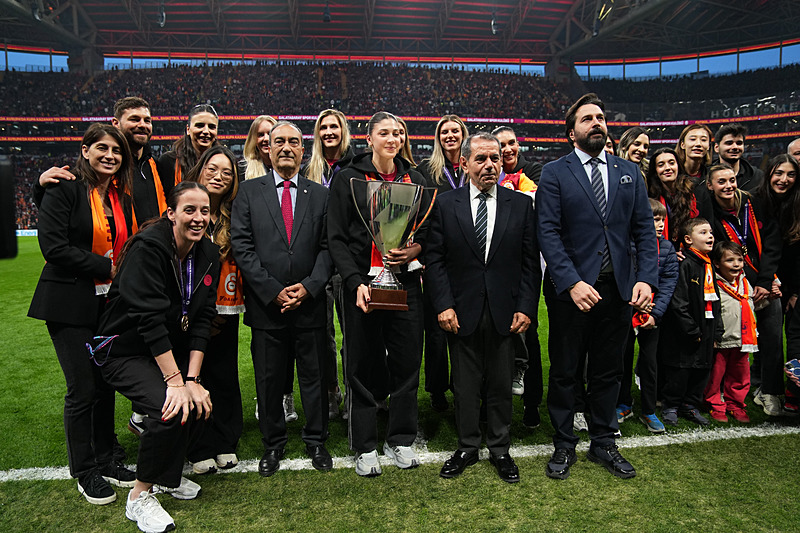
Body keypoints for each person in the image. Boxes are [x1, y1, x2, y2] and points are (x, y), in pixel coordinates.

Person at [537, 93, 657, 480]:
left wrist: (645, 278)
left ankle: (604, 441)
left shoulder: (629, 172)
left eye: (601, 117)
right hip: (571, 292)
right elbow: (548, 233)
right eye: (588, 119)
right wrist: (571, 282)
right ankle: (563, 442)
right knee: (566, 369)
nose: (597, 123)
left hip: (618, 289)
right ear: (572, 132)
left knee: (609, 370)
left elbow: (643, 231)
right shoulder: (555, 172)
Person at [94, 180, 219, 533]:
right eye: (189, 210)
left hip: (162, 351)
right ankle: (139, 498)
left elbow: (202, 321)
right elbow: (147, 320)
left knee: (198, 403)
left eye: (205, 211)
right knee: (170, 408)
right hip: (122, 350)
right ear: (171, 214)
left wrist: (192, 380)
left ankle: (165, 477)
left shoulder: (207, 254)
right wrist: (175, 382)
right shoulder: (149, 247)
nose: (198, 218)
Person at [28, 123, 137, 504]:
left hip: (106, 306)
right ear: (85, 150)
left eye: (117, 151)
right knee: (82, 389)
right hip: (68, 304)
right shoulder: (64, 188)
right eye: (103, 148)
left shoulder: (119, 196)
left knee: (105, 386)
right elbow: (53, 247)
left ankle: (107, 459)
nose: (111, 156)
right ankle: (85, 471)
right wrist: (103, 267)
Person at [426, 132, 538, 483]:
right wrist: (443, 304)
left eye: (495, 158)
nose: (490, 165)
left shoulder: (520, 204)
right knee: (465, 383)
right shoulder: (446, 204)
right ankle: (467, 446)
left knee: (502, 382)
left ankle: (500, 449)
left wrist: (526, 306)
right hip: (461, 310)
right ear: (465, 163)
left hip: (506, 309)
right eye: (481, 159)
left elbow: (529, 263)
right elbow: (435, 259)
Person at [327, 111, 428, 477]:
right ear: (369, 139)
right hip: (363, 284)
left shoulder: (414, 178)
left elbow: (428, 232)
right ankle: (365, 443)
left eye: (398, 132)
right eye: (384, 133)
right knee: (361, 363)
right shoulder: (349, 179)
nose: (393, 138)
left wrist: (414, 251)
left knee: (406, 361)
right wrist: (354, 283)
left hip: (404, 282)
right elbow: (335, 237)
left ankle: (400, 438)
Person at [231, 121, 334, 477]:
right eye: (279, 142)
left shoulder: (320, 194)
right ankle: (272, 444)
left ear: (303, 151)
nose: (287, 147)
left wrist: (309, 287)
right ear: (268, 149)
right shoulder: (248, 192)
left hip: (310, 304)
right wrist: (273, 290)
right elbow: (242, 247)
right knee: (269, 380)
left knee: (314, 377)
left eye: (294, 141)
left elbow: (327, 248)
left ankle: (316, 440)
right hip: (267, 308)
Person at [702, 164, 783, 416]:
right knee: (727, 343)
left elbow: (772, 242)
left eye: (732, 180)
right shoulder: (710, 211)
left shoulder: (754, 202)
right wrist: (750, 283)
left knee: (771, 334)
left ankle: (769, 390)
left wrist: (766, 280)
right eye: (721, 181)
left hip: (763, 282)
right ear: (710, 185)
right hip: (731, 284)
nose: (728, 186)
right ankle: (720, 393)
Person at [183, 145, 243, 474]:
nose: (219, 177)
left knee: (223, 373)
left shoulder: (236, 212)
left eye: (227, 172)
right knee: (194, 374)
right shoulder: (185, 206)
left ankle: (225, 440)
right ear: (200, 170)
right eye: (212, 169)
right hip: (188, 312)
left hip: (225, 307)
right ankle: (198, 445)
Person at [301, 109, 355, 419]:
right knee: (321, 334)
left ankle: (353, 391)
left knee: (352, 333)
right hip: (316, 261)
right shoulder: (309, 168)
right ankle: (330, 392)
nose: (329, 132)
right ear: (318, 133)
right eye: (324, 127)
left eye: (335, 126)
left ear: (344, 131)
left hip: (347, 260)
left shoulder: (357, 165)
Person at [490, 124, 544, 422]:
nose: (508, 149)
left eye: (512, 143)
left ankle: (532, 403)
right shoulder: (489, 171)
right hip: (496, 263)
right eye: (502, 145)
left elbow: (530, 206)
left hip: (525, 260)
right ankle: (496, 404)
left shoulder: (533, 171)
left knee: (528, 329)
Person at [418, 114, 469, 412]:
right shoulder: (427, 170)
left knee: (464, 327)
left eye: (455, 130)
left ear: (463, 134)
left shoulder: (471, 166)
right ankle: (437, 390)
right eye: (444, 132)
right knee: (435, 331)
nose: (450, 135)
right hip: (435, 259)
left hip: (466, 260)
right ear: (437, 138)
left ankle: (463, 384)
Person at [618, 199, 678, 434]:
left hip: (652, 316)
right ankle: (623, 404)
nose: (660, 224)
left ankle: (649, 409)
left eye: (662, 219)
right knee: (621, 358)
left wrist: (655, 312)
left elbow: (668, 282)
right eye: (654, 219)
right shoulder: (625, 246)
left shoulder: (667, 248)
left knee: (650, 362)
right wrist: (633, 307)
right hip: (627, 312)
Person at [659, 218, 720, 426]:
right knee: (681, 369)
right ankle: (671, 406)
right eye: (703, 232)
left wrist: (715, 331)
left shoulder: (708, 264)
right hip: (686, 332)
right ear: (688, 239)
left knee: (702, 368)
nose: (710, 236)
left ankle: (691, 404)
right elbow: (678, 302)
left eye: (710, 232)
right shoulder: (684, 263)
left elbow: (716, 301)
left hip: (707, 328)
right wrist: (691, 329)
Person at [755, 153, 800, 414]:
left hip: (789, 280)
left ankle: (777, 389)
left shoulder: (797, 203)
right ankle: (760, 384)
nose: (784, 179)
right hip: (764, 276)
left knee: (780, 335)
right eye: (779, 173)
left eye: (791, 174)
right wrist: (767, 279)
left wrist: (794, 291)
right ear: (769, 173)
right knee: (761, 334)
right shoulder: (756, 201)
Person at [704, 241, 762, 423]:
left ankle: (735, 404)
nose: (736, 264)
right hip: (721, 340)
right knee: (715, 376)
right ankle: (715, 405)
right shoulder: (713, 284)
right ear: (717, 263)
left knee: (740, 376)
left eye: (739, 260)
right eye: (730, 260)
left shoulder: (745, 283)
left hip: (743, 340)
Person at [647, 147, 699, 250]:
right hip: (662, 253)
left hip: (689, 251)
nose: (667, 168)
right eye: (661, 165)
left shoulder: (692, 192)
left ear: (678, 166)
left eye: (671, 163)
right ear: (655, 171)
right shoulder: (650, 196)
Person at [160, 104, 219, 184]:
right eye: (199, 126)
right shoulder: (168, 162)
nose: (206, 131)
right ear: (188, 129)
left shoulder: (225, 164)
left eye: (211, 127)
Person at [712, 123, 763, 192]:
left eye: (739, 143)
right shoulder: (706, 176)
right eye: (729, 143)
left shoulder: (757, 176)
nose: (735, 147)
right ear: (716, 148)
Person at [241, 115, 278, 180]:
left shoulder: (290, 168)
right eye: (260, 135)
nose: (266, 139)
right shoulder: (242, 170)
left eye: (270, 134)